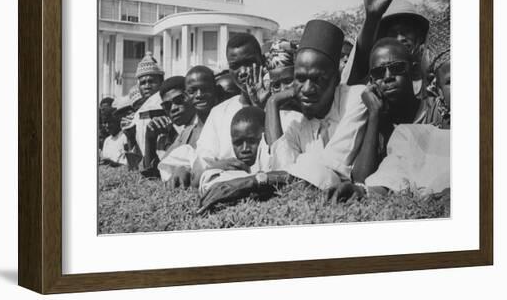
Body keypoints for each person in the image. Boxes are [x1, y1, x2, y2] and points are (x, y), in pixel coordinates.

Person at [198, 20, 368, 212]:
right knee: (215, 177)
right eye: (300, 79)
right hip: (297, 177)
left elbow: (328, 171)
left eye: (318, 79)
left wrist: (256, 181)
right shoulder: (297, 120)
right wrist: (272, 103)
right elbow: (282, 168)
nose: (307, 89)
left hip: (332, 180)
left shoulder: (355, 98)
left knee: (313, 168)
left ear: (336, 78)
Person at [350, 38, 440, 185]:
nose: (388, 77)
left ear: (414, 71)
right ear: (372, 82)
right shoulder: (377, 119)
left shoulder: (434, 110)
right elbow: (361, 179)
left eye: (397, 68)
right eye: (379, 73)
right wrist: (374, 115)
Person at [342, 0, 430, 98]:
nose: (400, 38)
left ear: (419, 35)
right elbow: (351, 80)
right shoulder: (378, 82)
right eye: (393, 33)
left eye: (406, 31)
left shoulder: (432, 76)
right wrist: (372, 17)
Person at [193, 33, 267, 172]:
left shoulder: (278, 107)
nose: (243, 71)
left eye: (249, 63)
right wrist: (219, 166)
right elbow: (202, 160)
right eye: (235, 66)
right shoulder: (219, 113)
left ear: (262, 61)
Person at [197, 107, 272, 208]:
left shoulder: (272, 160)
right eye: (238, 143)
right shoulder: (229, 169)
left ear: (264, 137)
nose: (245, 149)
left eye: (252, 141)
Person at [158, 66, 219, 188]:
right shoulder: (186, 132)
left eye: (179, 100)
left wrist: (187, 169)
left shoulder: (218, 123)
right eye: (167, 105)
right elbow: (164, 166)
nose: (199, 95)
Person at [140, 76, 197, 179]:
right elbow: (152, 173)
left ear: (191, 96)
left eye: (179, 100)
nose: (173, 108)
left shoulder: (202, 124)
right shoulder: (181, 130)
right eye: (167, 105)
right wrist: (150, 139)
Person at [132, 52, 165, 160]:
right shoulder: (138, 113)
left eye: (151, 81)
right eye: (143, 83)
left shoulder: (167, 105)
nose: (147, 86)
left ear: (161, 82)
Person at [99, 97, 131, 167]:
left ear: (117, 121)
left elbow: (129, 164)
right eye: (105, 123)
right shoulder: (107, 140)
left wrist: (113, 164)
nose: (107, 126)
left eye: (110, 123)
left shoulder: (125, 137)